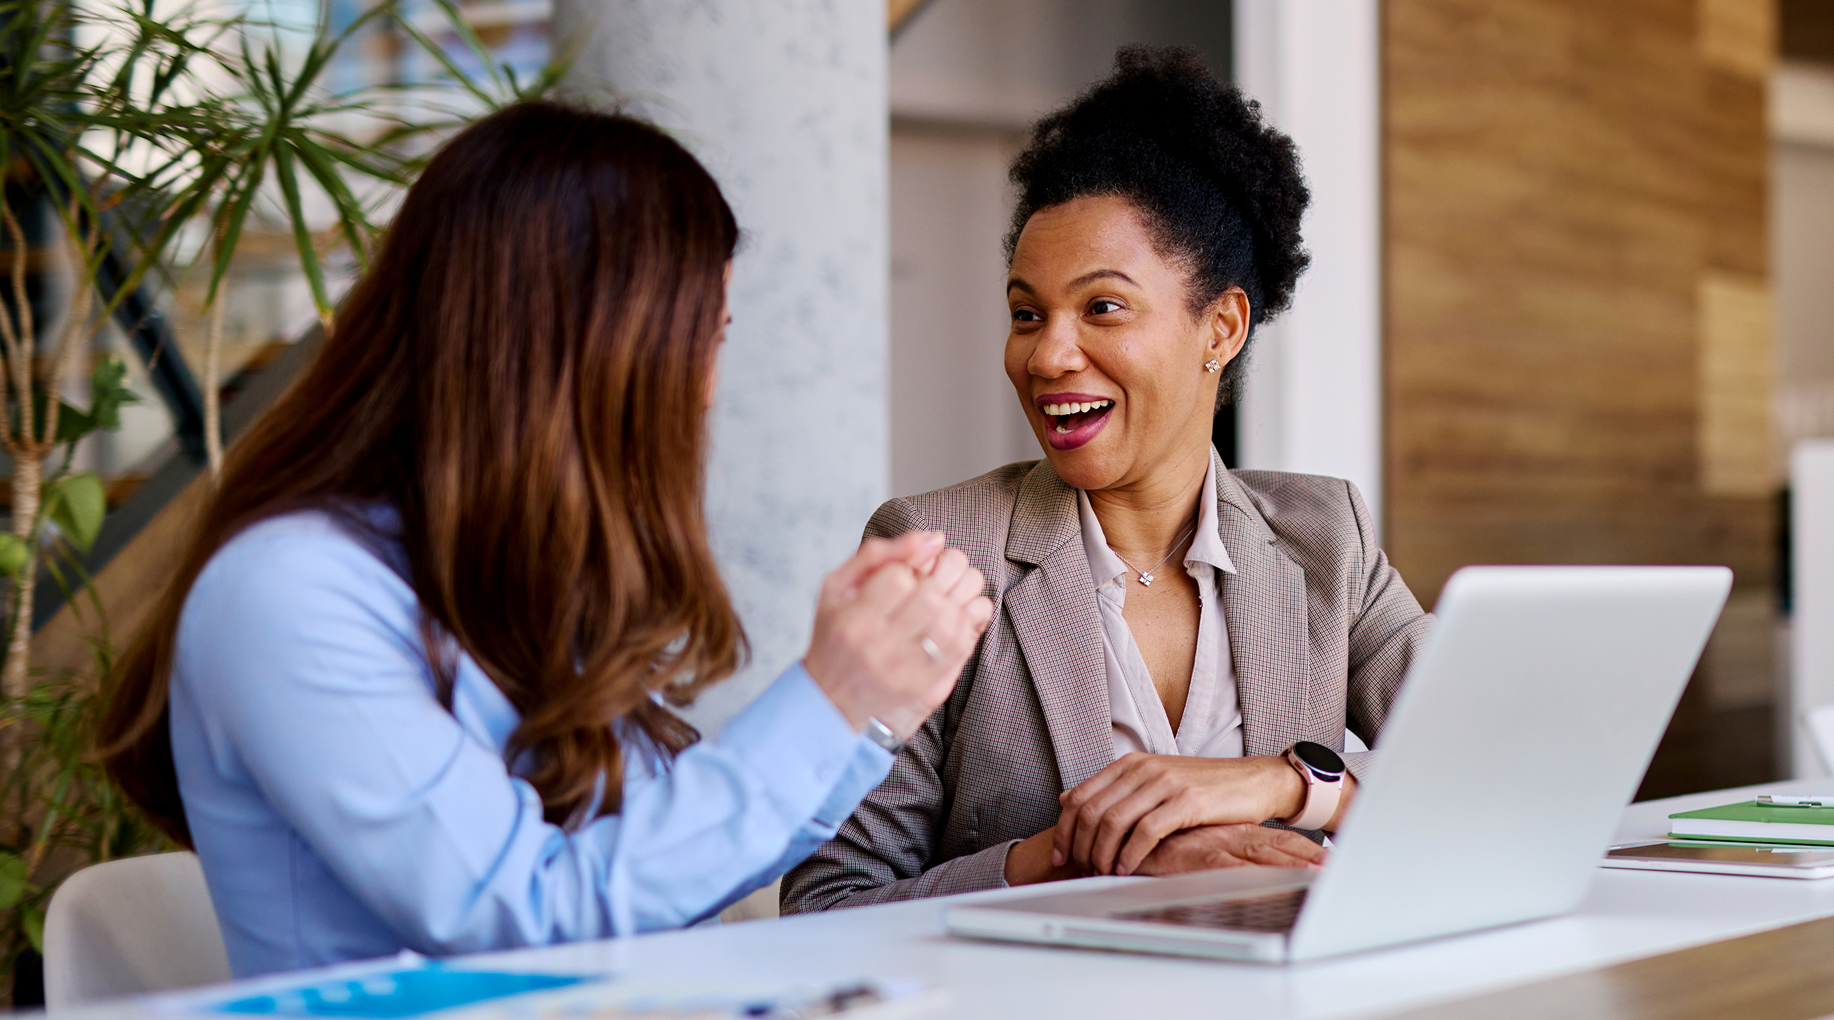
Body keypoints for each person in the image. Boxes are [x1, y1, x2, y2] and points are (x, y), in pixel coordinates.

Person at [93, 102, 993, 978]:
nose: (709, 390)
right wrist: (828, 700)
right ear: (596, 347)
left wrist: (870, 719)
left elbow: (663, 872)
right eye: (702, 340)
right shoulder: (288, 590)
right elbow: (521, 914)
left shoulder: (503, 573)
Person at [781, 47, 1430, 912]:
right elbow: (829, 902)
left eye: (1102, 308)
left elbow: (1508, 770)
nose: (1047, 354)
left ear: (1221, 327)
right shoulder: (939, 551)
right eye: (1025, 314)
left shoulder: (1326, 540)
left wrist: (1292, 787)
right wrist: (1075, 860)